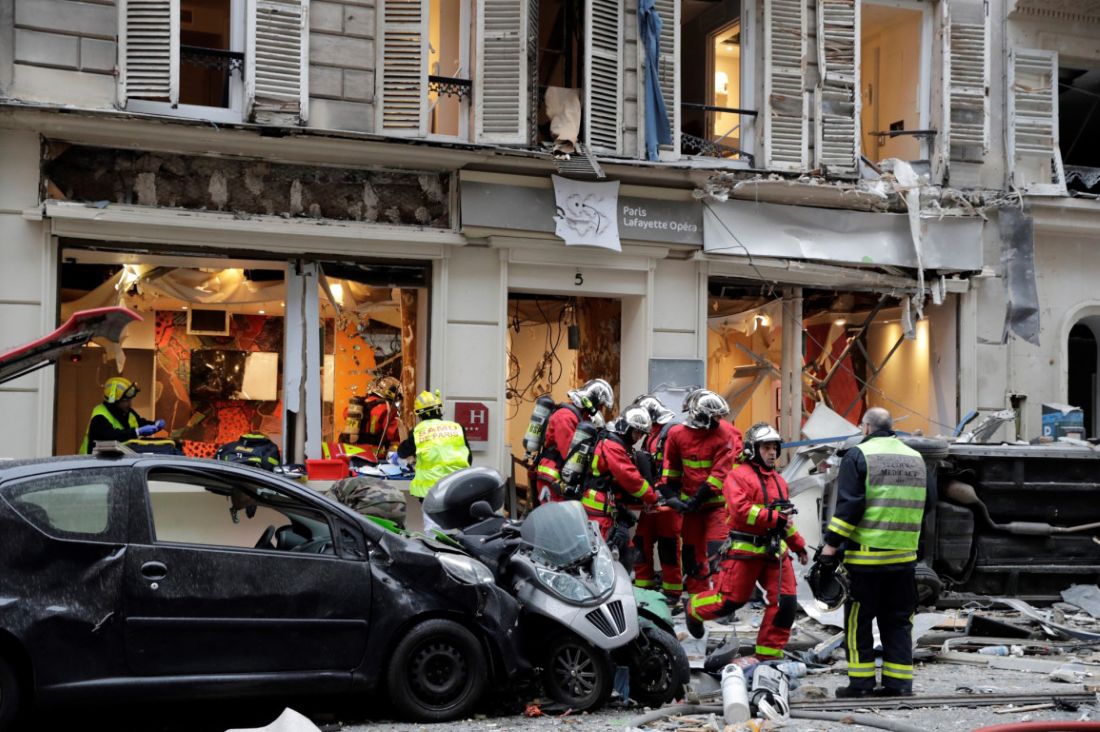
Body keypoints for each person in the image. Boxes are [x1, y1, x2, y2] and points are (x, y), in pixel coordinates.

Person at [819, 407, 928, 698]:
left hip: (865, 560)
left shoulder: (859, 455)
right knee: (899, 622)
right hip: (904, 560)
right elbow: (927, 507)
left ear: (866, 428)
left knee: (859, 622)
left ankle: (861, 684)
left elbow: (849, 509)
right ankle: (899, 684)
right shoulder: (916, 459)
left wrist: (830, 547)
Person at [684, 423, 809, 658]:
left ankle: (767, 657)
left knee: (786, 604)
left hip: (774, 552)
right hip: (745, 551)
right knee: (729, 602)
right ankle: (694, 609)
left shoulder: (779, 482)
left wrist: (798, 545)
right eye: (766, 448)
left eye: (775, 448)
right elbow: (741, 510)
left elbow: (785, 521)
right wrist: (774, 518)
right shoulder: (736, 476)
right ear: (753, 450)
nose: (773, 453)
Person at [658, 389, 742, 595]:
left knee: (719, 551)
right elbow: (672, 471)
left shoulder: (726, 434)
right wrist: (672, 497)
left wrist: (697, 499)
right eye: (715, 416)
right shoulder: (677, 435)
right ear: (701, 415)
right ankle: (698, 600)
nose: (719, 420)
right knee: (691, 554)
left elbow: (719, 474)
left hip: (717, 505)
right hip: (691, 508)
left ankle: (723, 602)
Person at [581, 406, 658, 563]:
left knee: (624, 553)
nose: (638, 438)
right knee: (603, 557)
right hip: (600, 511)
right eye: (637, 432)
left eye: (641, 434)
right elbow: (630, 478)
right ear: (626, 427)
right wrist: (652, 497)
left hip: (608, 509)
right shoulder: (612, 446)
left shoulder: (616, 443)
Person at [630, 395, 684, 607]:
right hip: (653, 500)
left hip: (667, 502)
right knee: (642, 541)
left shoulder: (671, 433)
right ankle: (644, 587)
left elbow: (672, 468)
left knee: (668, 547)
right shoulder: (652, 434)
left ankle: (672, 593)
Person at [398, 390, 471, 532]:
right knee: (454, 527)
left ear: (419, 414)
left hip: (431, 491)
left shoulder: (419, 431)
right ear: (439, 410)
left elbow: (402, 452)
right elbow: (468, 457)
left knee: (433, 531)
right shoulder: (457, 428)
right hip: (456, 487)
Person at [535, 378, 614, 504]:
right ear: (592, 401)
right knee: (554, 521)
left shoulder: (576, 416)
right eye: (599, 405)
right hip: (552, 477)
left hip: (559, 476)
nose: (598, 409)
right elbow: (569, 452)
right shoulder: (565, 417)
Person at [80, 376, 164, 454]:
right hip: (91, 463)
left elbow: (139, 422)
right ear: (114, 401)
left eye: (130, 400)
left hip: (116, 461)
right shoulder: (99, 417)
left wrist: (155, 424)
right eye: (126, 401)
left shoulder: (126, 411)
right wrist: (137, 432)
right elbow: (112, 436)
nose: (130, 404)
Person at [362, 376, 403, 453]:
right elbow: (393, 435)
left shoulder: (362, 403)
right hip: (375, 452)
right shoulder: (388, 409)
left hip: (355, 450)